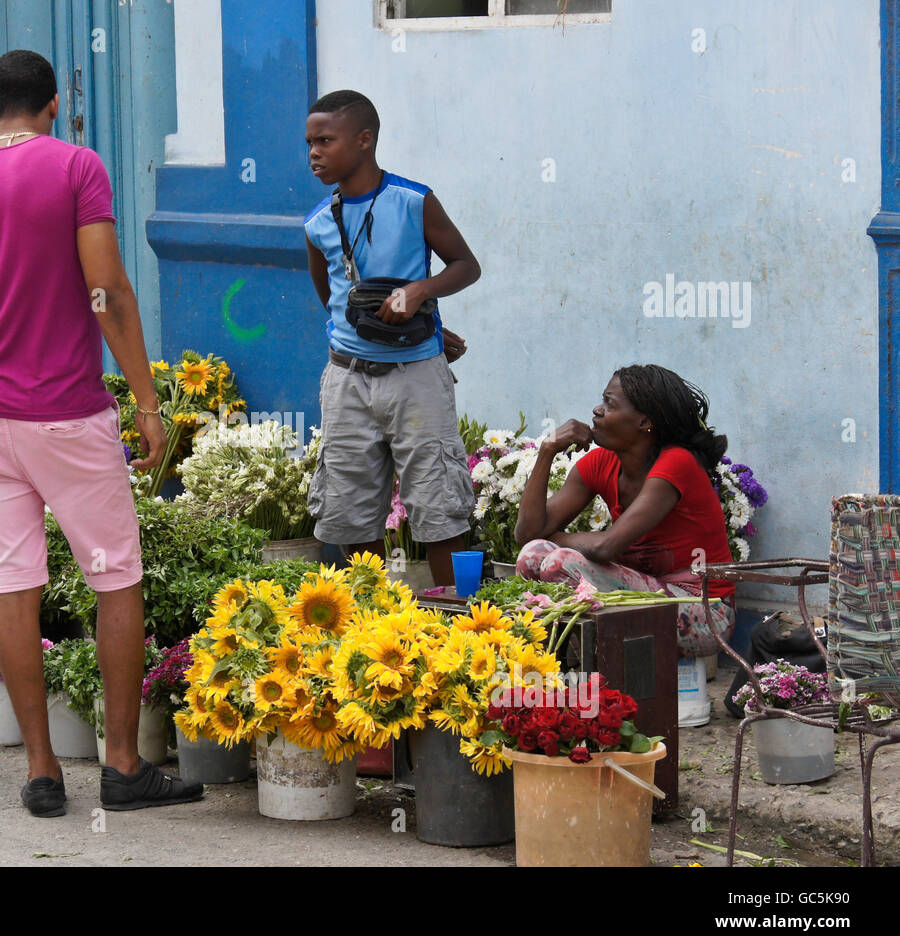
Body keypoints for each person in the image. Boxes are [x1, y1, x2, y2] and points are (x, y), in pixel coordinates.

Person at [0, 49, 203, 816]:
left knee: (16, 587)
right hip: (67, 416)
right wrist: (144, 398)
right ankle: (123, 765)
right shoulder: (76, 168)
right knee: (115, 580)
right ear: (54, 110)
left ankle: (41, 774)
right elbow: (107, 290)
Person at [303, 90, 481, 586]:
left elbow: (467, 266)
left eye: (325, 140)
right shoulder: (318, 223)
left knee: (440, 507)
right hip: (346, 382)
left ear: (364, 141)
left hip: (416, 379)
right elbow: (336, 300)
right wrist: (381, 330)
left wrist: (421, 293)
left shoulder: (414, 201)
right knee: (350, 512)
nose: (314, 152)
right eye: (309, 142)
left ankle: (461, 624)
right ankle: (380, 623)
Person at [513, 364, 736, 657]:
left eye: (610, 403)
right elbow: (527, 533)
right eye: (602, 400)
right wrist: (548, 449)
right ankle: (557, 666)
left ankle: (595, 665)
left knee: (558, 562)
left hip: (704, 610)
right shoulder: (600, 463)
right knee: (533, 555)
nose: (597, 410)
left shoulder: (677, 463)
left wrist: (561, 538)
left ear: (644, 422)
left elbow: (607, 547)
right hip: (648, 593)